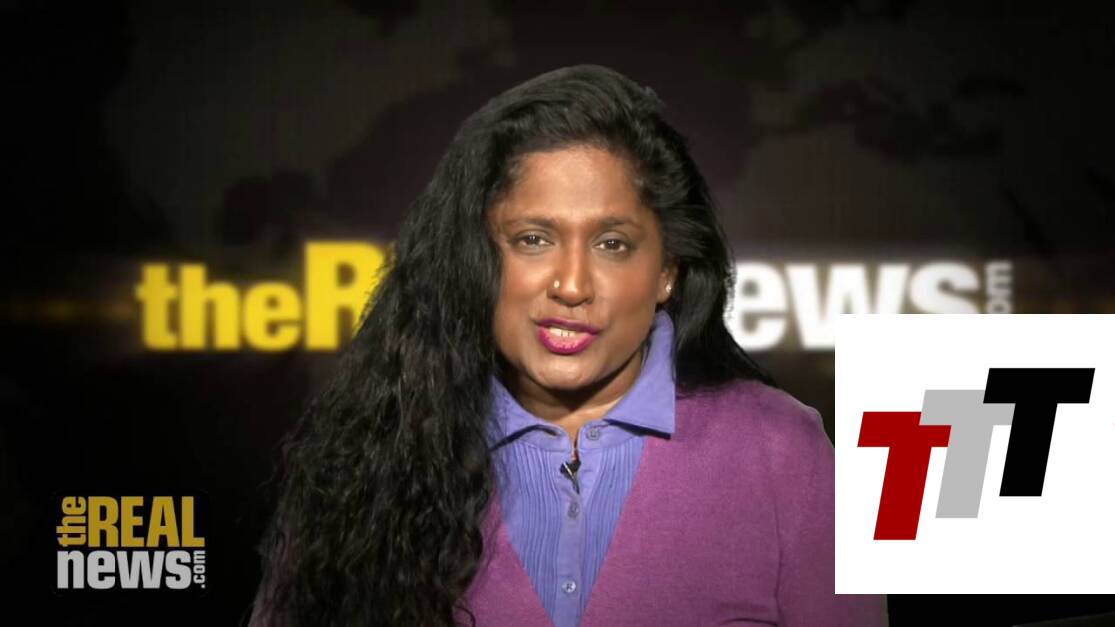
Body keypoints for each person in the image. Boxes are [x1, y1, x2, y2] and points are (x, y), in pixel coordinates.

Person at [248, 64, 886, 626]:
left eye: (612, 243)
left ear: (667, 271)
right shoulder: (368, 462)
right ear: (475, 257)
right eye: (533, 239)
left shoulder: (780, 452)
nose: (572, 285)